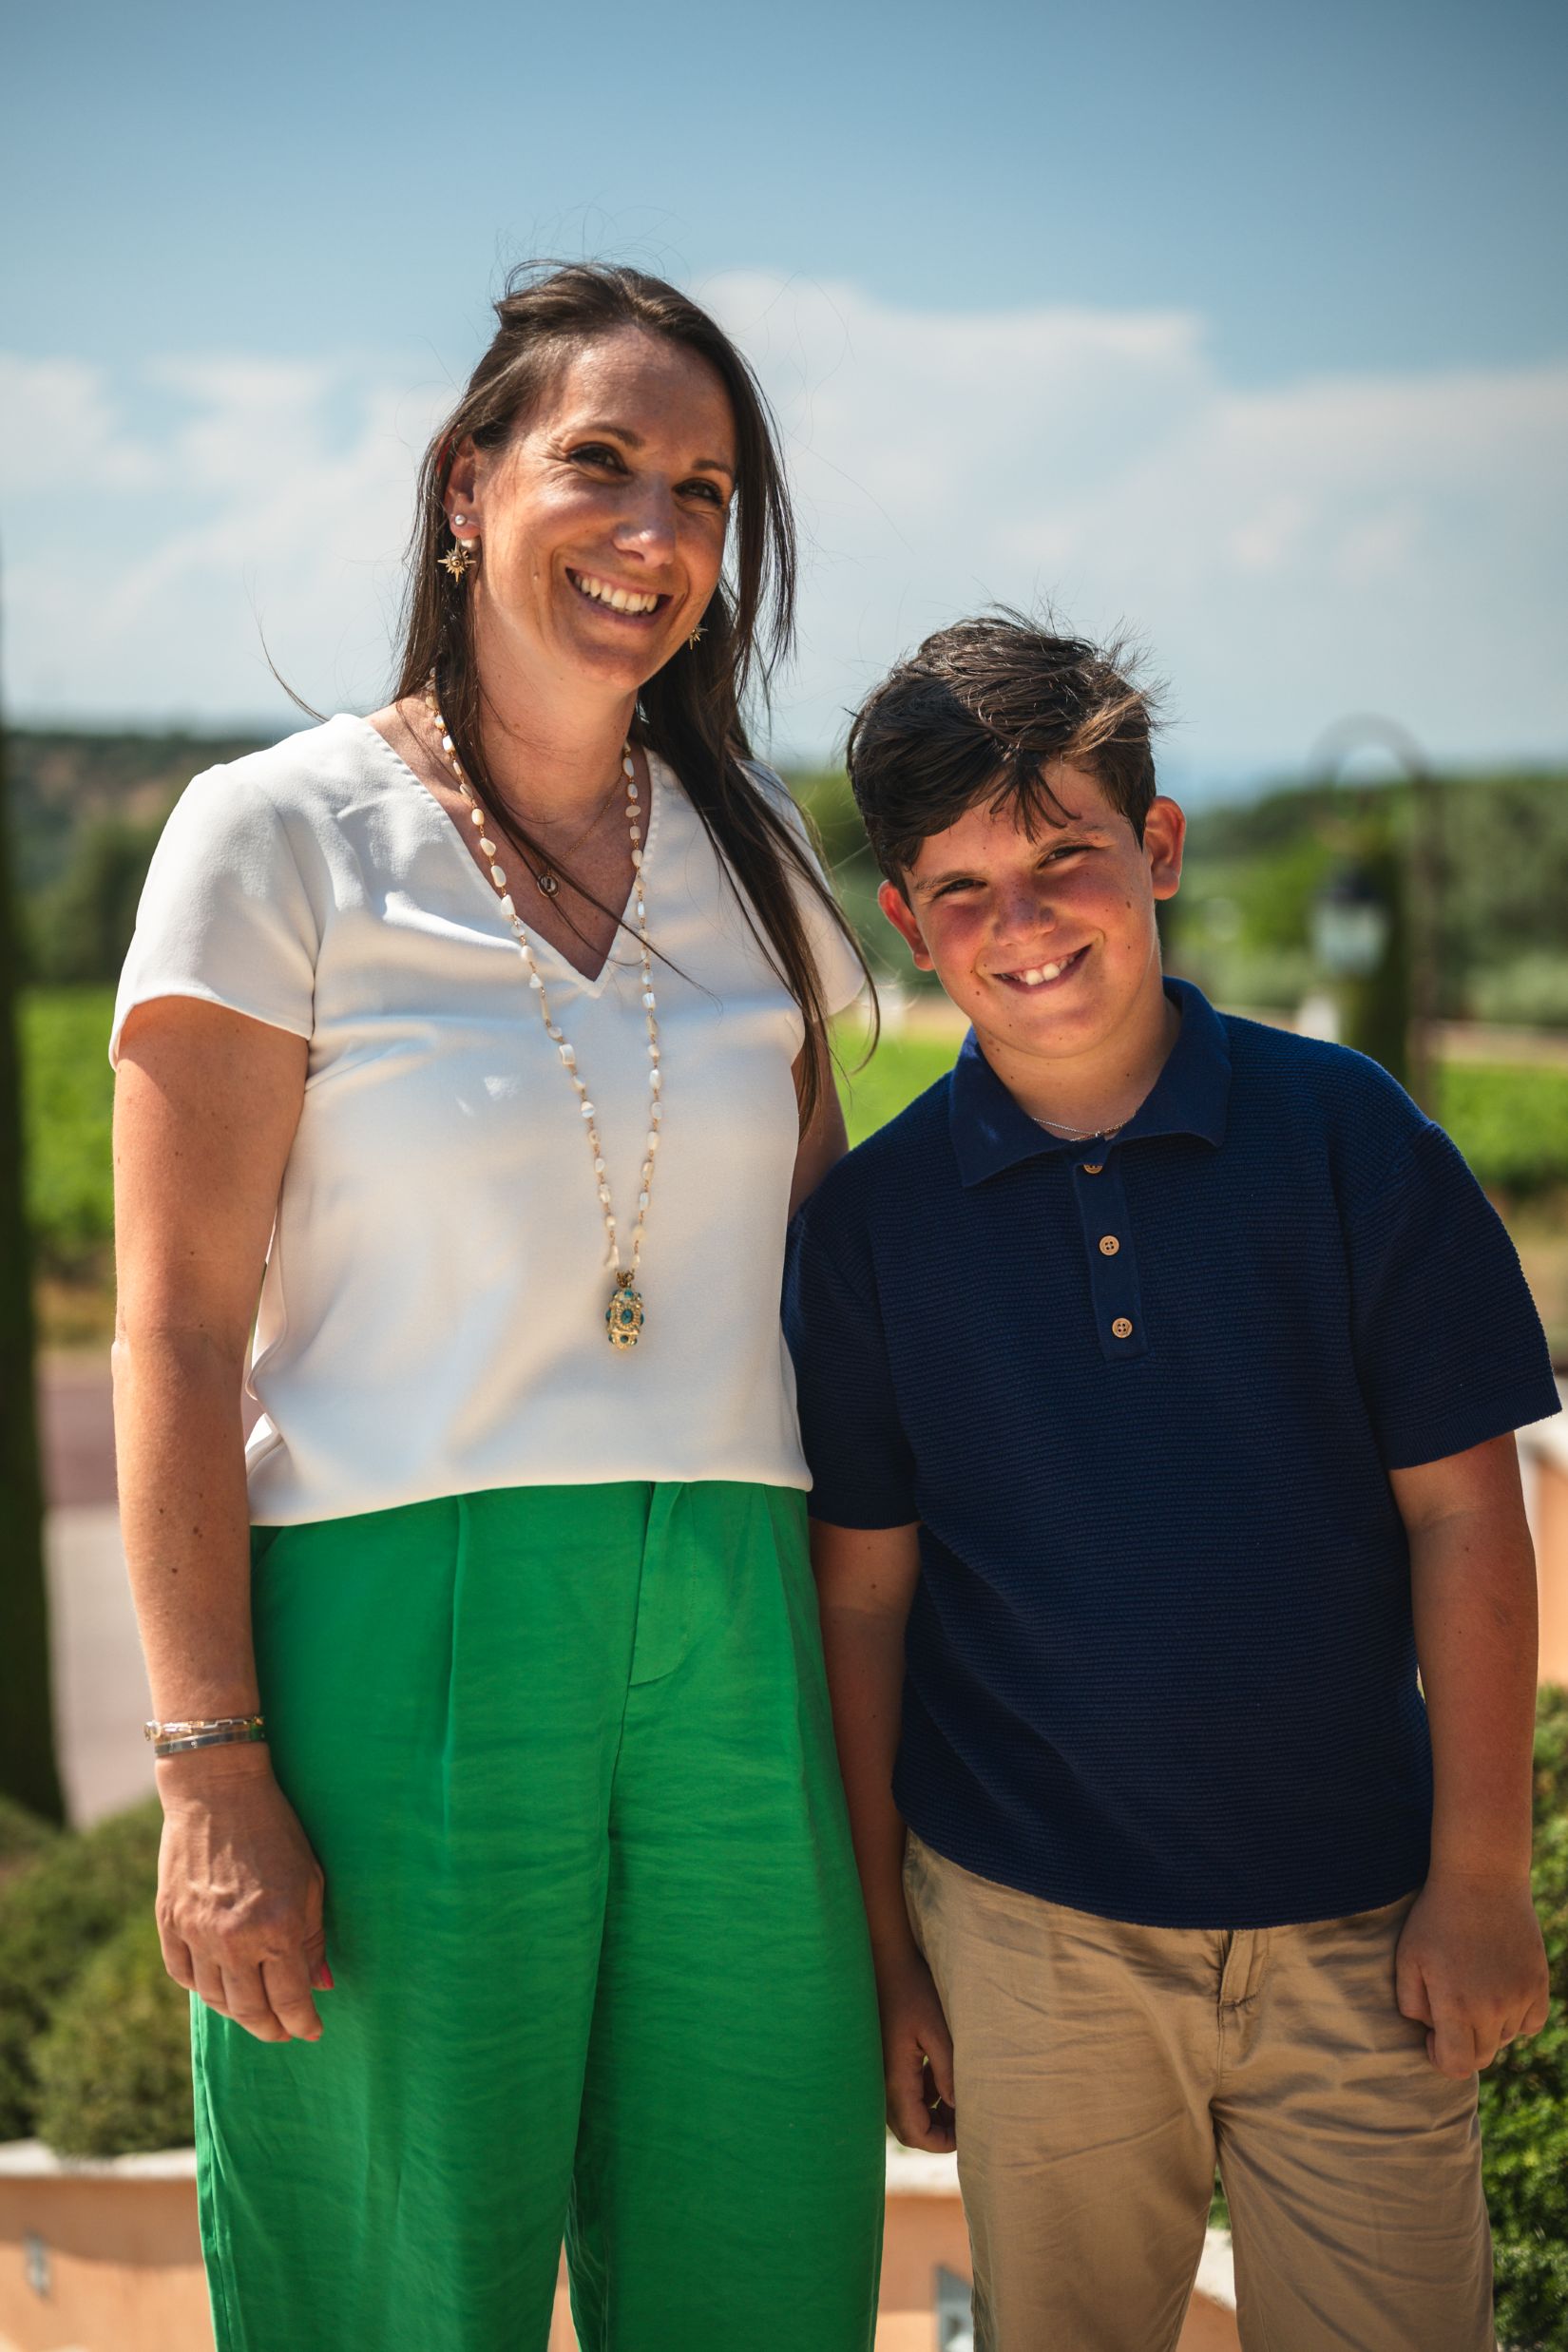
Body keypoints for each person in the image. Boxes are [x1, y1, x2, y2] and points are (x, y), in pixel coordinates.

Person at [111, 261, 886, 2352]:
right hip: (396, 1632)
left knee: (765, 2260)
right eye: (603, 464)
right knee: (394, 2292)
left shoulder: (763, 862)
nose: (658, 537)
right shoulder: (271, 835)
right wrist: (210, 1772)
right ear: (469, 489)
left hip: (740, 1632)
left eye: (708, 495)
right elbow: (175, 1330)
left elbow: (845, 1290)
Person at [783, 612, 1558, 2352]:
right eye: (962, 890)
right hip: (1029, 1939)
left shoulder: (1350, 1139)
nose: (1023, 923)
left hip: (1366, 1927)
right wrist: (891, 1958)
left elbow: (1464, 1512)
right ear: (904, 923)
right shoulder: (869, 1238)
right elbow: (866, 1600)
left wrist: (1481, 1874)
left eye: (1063, 858)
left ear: (1159, 848)